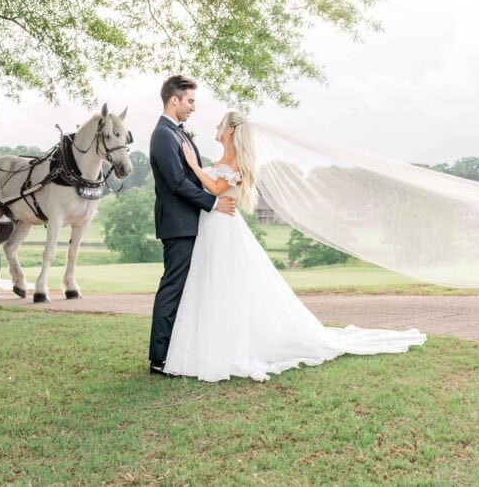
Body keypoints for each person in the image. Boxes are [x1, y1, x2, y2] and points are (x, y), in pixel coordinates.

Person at [162, 110, 426, 382]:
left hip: (223, 228)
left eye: (220, 124)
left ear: (230, 131)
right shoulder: (223, 159)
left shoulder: (237, 160)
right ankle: (207, 345)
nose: (216, 126)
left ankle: (227, 349)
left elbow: (217, 189)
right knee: (211, 285)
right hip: (212, 226)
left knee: (225, 285)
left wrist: (194, 167)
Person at [148, 75, 237, 376]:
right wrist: (212, 203)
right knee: (172, 289)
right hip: (178, 224)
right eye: (190, 101)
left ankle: (176, 352)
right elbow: (175, 182)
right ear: (174, 99)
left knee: (185, 290)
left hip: (189, 221)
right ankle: (159, 358)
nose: (193, 108)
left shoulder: (178, 133)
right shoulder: (163, 135)